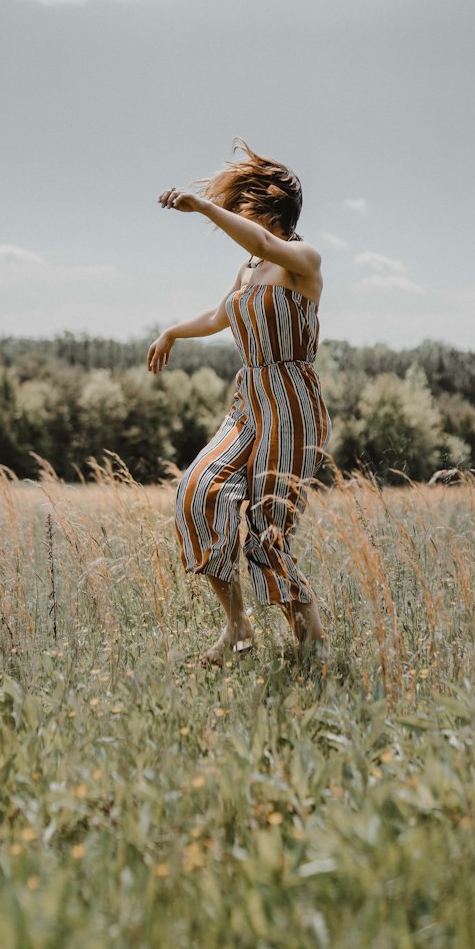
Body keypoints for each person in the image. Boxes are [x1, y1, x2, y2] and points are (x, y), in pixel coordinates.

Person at [146, 141, 331, 670]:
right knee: (198, 491)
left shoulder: (302, 259)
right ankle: (238, 628)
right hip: (249, 400)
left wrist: (205, 208)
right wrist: (172, 332)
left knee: (269, 533)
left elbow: (265, 244)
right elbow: (222, 314)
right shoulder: (250, 267)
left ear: (272, 213)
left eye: (248, 210)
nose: (239, 220)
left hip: (292, 406)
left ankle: (312, 647)